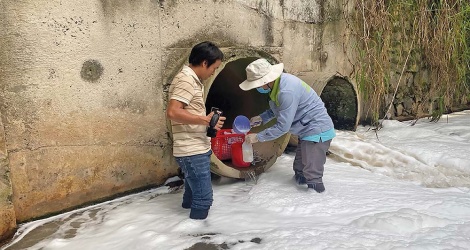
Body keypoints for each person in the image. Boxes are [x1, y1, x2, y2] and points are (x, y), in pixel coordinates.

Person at [240, 58, 335, 193]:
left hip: (316, 131)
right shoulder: (278, 85)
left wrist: (258, 137)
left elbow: (283, 127)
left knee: (312, 174)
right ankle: (300, 202)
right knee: (299, 169)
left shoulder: (286, 91)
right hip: (306, 130)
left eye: (257, 85)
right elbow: (278, 109)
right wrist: (261, 118)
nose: (257, 88)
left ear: (266, 81)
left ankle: (317, 202)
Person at [166, 41, 225, 219]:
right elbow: (173, 111)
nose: (213, 72)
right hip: (191, 150)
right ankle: (198, 239)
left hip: (196, 148)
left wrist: (207, 122)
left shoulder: (192, 79)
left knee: (192, 195)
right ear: (204, 63)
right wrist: (204, 120)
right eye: (213, 68)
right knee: (204, 199)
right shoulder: (186, 80)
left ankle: (186, 234)